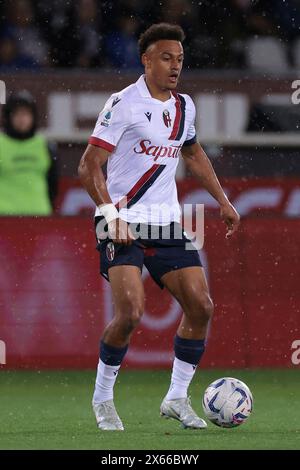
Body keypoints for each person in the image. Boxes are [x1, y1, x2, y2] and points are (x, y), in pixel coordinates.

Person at [78, 23, 240, 431]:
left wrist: (222, 201)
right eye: (166, 58)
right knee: (131, 312)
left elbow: (194, 152)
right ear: (146, 60)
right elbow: (88, 165)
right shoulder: (123, 103)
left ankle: (176, 398)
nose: (175, 67)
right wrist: (111, 215)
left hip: (166, 222)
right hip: (122, 221)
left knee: (201, 306)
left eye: (180, 60)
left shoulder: (185, 106)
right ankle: (103, 400)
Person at [0, 91, 58, 215]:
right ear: (8, 117)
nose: (22, 119)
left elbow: (53, 184)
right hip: (5, 218)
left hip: (40, 216)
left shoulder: (46, 146)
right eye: (17, 114)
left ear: (33, 117)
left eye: (26, 114)